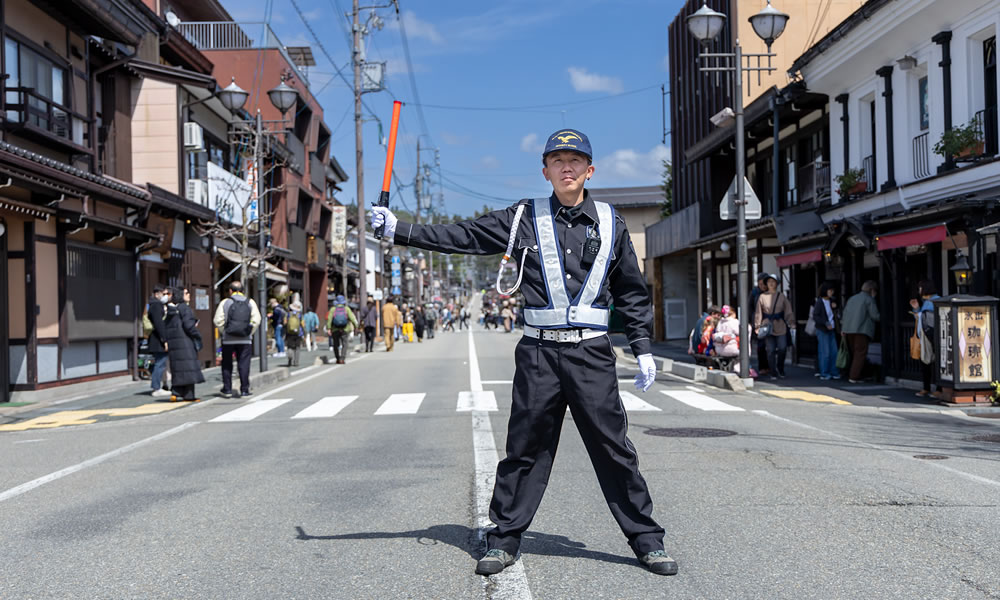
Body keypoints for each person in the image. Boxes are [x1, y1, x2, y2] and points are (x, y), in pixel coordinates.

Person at [372, 128, 676, 577]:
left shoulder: (612, 223)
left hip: (592, 354)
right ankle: (504, 539)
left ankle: (648, 541)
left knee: (614, 449)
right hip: (538, 354)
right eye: (557, 160)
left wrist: (643, 348)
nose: (566, 167)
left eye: (575, 161)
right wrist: (401, 230)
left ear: (589, 170)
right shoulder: (523, 218)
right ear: (545, 170)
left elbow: (632, 290)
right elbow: (466, 236)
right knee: (524, 448)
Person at [213, 280, 261, 398]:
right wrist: (249, 332)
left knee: (227, 364)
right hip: (245, 339)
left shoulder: (225, 302)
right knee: (244, 364)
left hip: (228, 339)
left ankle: (227, 389)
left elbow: (217, 320)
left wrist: (225, 331)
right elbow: (257, 319)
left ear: (230, 291)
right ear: (243, 291)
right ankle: (244, 389)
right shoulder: (250, 302)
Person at [163, 287, 204, 402]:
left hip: (174, 344)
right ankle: (189, 395)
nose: (189, 294)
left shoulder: (171, 310)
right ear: (181, 295)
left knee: (178, 369)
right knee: (189, 368)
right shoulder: (185, 308)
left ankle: (175, 393)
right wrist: (197, 335)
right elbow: (188, 326)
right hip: (185, 342)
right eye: (186, 293)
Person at [753, 274, 796, 379]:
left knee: (782, 348)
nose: (771, 284)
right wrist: (757, 325)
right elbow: (758, 312)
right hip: (767, 325)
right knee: (770, 350)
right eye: (769, 282)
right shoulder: (762, 297)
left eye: (773, 282)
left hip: (780, 324)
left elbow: (788, 311)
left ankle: (780, 368)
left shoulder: (781, 296)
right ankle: (773, 371)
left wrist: (791, 322)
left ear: (777, 284)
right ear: (766, 284)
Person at [841, 280, 881, 383]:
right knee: (860, 354)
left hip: (848, 330)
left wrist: (843, 329)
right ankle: (854, 376)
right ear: (872, 290)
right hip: (862, 330)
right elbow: (875, 316)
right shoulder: (869, 299)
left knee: (854, 353)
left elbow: (845, 314)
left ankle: (852, 374)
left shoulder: (852, 298)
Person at [910, 280, 940, 397]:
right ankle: (928, 387)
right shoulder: (928, 302)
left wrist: (918, 311)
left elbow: (928, 320)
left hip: (930, 335)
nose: (919, 290)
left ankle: (935, 388)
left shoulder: (934, 301)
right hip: (925, 335)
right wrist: (917, 309)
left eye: (920, 288)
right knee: (927, 361)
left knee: (931, 362)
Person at [146, 285, 172, 398]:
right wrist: (164, 339)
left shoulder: (152, 305)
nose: (165, 296)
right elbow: (159, 324)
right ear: (157, 294)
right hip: (158, 339)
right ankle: (156, 388)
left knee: (159, 363)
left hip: (155, 338)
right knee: (160, 364)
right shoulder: (156, 305)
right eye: (163, 294)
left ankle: (158, 386)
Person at [812, 282, 840, 381]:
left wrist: (835, 308)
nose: (832, 292)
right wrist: (825, 323)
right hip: (823, 330)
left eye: (832, 290)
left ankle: (834, 372)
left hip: (832, 329)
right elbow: (815, 316)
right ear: (825, 291)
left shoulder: (832, 301)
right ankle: (824, 373)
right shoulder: (820, 302)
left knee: (834, 352)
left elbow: (835, 315)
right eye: (830, 290)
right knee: (825, 352)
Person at [750, 273, 771, 376]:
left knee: (771, 346)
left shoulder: (771, 292)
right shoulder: (754, 293)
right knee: (761, 346)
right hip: (759, 323)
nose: (763, 286)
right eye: (761, 283)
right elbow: (750, 308)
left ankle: (771, 367)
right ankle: (763, 367)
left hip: (771, 322)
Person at [327, 294, 358, 363]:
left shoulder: (333, 309)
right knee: (345, 343)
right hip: (345, 329)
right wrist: (355, 326)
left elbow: (329, 319)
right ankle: (342, 358)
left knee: (335, 344)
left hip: (335, 329)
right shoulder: (346, 309)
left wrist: (329, 328)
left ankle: (337, 358)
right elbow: (352, 318)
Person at [712, 305, 740, 372]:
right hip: (732, 349)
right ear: (733, 313)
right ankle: (737, 369)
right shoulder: (734, 322)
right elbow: (740, 332)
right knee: (744, 352)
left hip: (719, 350)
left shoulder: (720, 322)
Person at [285, 299, 305, 367]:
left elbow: (284, 322)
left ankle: (290, 357)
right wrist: (304, 332)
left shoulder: (288, 314)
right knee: (297, 347)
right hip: (298, 333)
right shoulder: (300, 315)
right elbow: (303, 324)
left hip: (289, 333)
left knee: (290, 346)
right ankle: (296, 362)